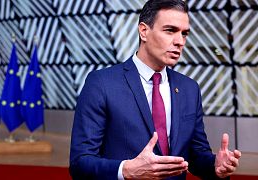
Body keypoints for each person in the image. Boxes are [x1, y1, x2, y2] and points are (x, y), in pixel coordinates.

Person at [69, 0, 241, 179]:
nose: (179, 41)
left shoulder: (189, 88)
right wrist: (126, 170)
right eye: (170, 30)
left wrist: (216, 165)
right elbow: (80, 163)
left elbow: (196, 155)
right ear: (144, 31)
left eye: (184, 33)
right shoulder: (101, 83)